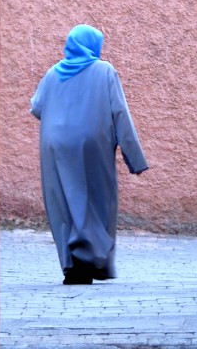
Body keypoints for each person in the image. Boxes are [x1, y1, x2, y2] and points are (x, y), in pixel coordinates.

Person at [30, 24, 149, 284]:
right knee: (95, 199)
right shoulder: (104, 71)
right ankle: (92, 261)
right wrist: (134, 157)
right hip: (92, 145)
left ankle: (72, 265)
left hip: (56, 145)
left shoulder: (52, 74)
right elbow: (120, 114)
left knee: (61, 201)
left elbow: (37, 107)